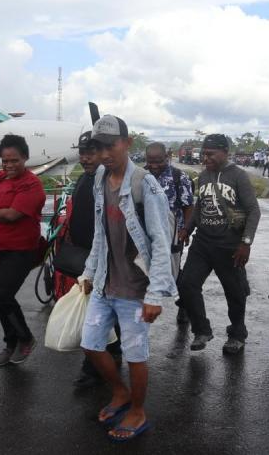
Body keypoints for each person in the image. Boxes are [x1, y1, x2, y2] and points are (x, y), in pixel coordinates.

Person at [79, 114, 176, 442]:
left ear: (127, 143)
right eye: (100, 146)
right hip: (106, 281)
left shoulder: (144, 184)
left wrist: (155, 294)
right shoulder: (100, 178)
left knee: (135, 353)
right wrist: (90, 272)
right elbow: (100, 232)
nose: (105, 153)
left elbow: (161, 242)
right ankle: (120, 393)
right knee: (91, 344)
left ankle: (137, 410)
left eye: (112, 145)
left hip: (135, 287)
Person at [177, 134, 261, 354]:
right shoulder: (204, 176)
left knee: (235, 293)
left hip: (230, 245)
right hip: (203, 243)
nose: (206, 158)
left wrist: (246, 243)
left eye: (210, 154)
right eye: (204, 154)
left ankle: (237, 334)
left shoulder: (238, 176)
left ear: (225, 152)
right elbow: (199, 206)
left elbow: (253, 210)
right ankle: (202, 330)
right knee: (187, 284)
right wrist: (187, 228)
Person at [0, 135, 46, 366]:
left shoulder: (31, 185)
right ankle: (10, 343)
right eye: (5, 161)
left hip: (20, 251)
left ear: (25, 157)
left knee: (3, 295)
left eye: (14, 160)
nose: (9, 165)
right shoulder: (2, 179)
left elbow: (11, 215)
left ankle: (25, 339)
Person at [68, 132, 123, 389]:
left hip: (105, 259)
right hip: (84, 256)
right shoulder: (84, 179)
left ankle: (92, 368)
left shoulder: (111, 183)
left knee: (97, 315)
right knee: (104, 312)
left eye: (91, 152)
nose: (85, 157)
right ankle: (114, 349)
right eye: (82, 152)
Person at [144, 142, 195, 322]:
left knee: (172, 271)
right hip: (146, 232)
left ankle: (184, 304)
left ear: (167, 157)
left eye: (158, 161)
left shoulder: (179, 177)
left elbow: (189, 206)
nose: (154, 166)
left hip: (172, 232)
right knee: (143, 269)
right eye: (150, 161)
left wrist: (185, 230)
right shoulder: (141, 175)